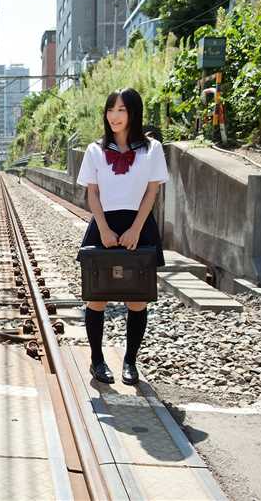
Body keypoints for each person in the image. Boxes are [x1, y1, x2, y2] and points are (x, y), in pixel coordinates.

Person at [74, 87, 169, 386]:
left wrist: (136, 229)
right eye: (110, 109)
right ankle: (97, 360)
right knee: (96, 299)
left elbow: (152, 191)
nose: (114, 116)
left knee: (137, 300)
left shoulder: (151, 149)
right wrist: (102, 228)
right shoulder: (95, 150)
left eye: (121, 110)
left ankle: (130, 361)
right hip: (104, 224)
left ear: (133, 113)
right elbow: (93, 192)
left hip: (138, 225)